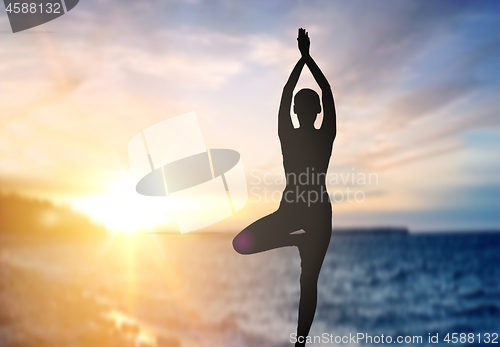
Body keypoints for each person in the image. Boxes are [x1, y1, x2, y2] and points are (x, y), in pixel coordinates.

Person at [233, 28, 336, 346]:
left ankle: (300, 344)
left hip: (310, 216)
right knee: (244, 245)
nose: (304, 111)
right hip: (301, 216)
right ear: (312, 112)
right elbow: (326, 91)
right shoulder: (316, 136)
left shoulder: (300, 136)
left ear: (303, 113)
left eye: (306, 108)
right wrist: (308, 58)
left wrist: (301, 59)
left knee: (308, 283)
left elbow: (288, 94)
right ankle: (296, 241)